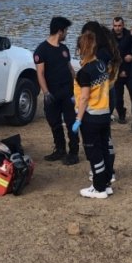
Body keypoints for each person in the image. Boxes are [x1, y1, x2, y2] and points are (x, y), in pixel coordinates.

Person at [71, 26, 114, 199]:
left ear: (81, 49)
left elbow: (84, 97)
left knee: (94, 153)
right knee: (105, 149)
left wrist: (78, 119)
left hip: (91, 117)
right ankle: (106, 183)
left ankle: (98, 188)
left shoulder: (85, 72)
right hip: (104, 114)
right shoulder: (102, 65)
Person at [34, 16, 79, 165]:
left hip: (67, 93)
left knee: (71, 122)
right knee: (54, 123)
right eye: (66, 30)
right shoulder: (42, 50)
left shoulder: (64, 49)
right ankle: (60, 150)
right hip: (52, 94)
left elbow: (70, 68)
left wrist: (79, 83)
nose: (67, 34)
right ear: (60, 31)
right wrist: (46, 93)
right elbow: (40, 73)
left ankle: (73, 152)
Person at [112, 16, 132, 124]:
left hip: (130, 69)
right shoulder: (109, 38)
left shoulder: (130, 35)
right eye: (115, 26)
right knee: (118, 97)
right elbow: (114, 53)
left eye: (119, 25)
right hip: (116, 70)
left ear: (123, 25)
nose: (117, 28)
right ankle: (121, 114)